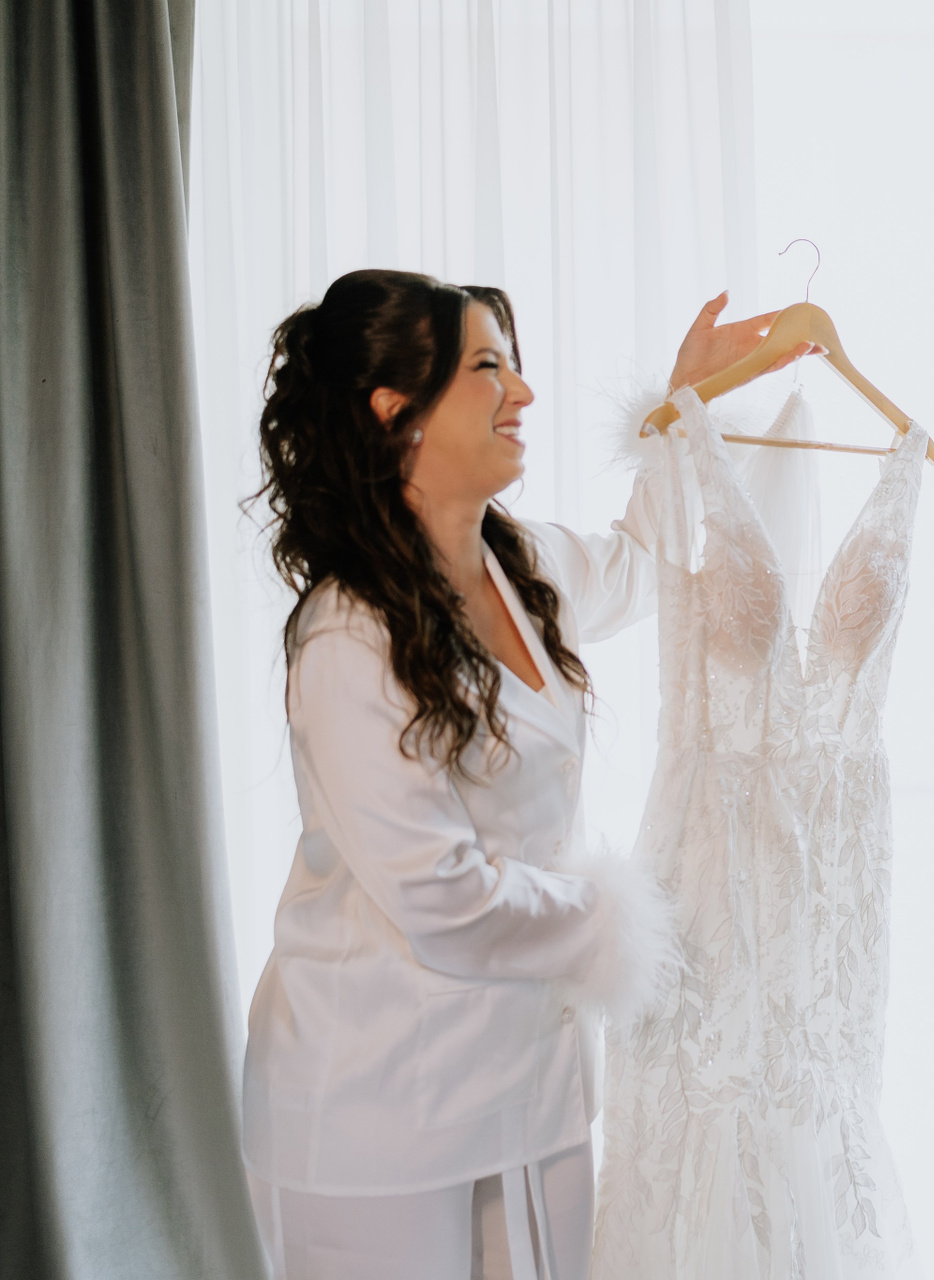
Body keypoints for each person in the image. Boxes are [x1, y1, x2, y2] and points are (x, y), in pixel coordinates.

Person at [239, 270, 803, 1280]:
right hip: (375, 1106)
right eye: (488, 367)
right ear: (396, 411)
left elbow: (641, 560)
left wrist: (686, 404)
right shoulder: (347, 635)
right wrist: (621, 920)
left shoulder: (520, 565)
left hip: (530, 1088)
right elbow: (440, 896)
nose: (524, 392)